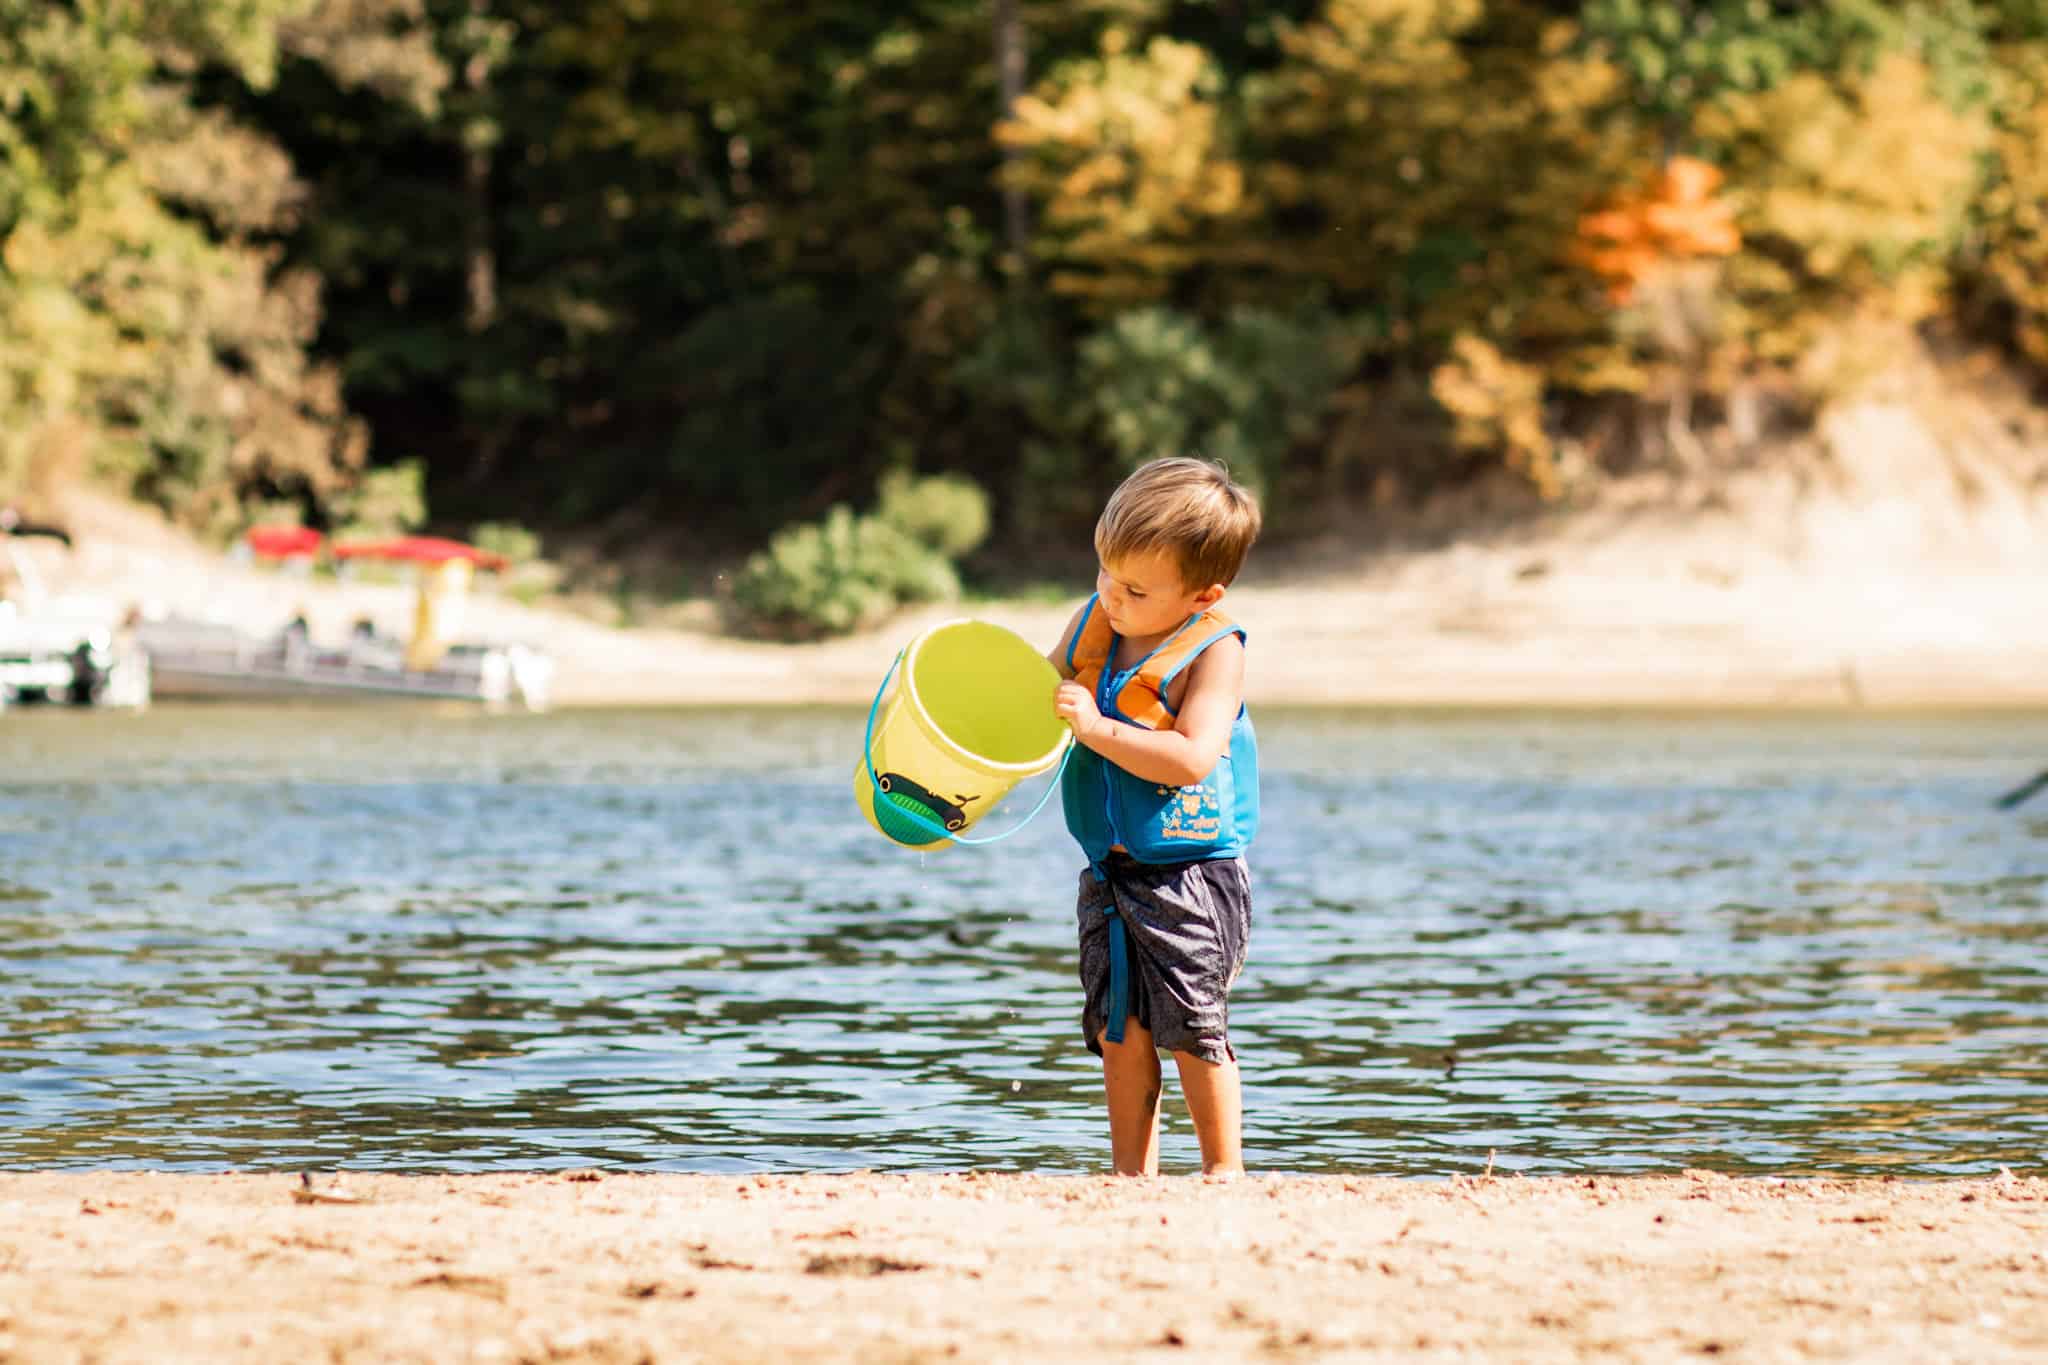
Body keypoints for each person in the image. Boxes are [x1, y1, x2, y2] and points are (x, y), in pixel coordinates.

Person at [1048, 456, 1262, 1177]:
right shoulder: (1099, 622)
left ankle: (1222, 1171)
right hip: (1110, 868)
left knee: (1192, 1022)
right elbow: (1039, 699)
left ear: (1203, 595)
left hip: (1190, 874)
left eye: (1134, 587)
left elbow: (1191, 757)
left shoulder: (1215, 650)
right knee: (1120, 1027)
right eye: (1105, 571)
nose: (1111, 593)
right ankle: (1129, 1175)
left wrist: (1097, 729)